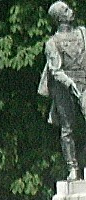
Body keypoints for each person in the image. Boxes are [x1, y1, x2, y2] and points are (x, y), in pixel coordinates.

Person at [40, 2, 86, 180]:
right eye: (66, 10)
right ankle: (72, 167)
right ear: (59, 17)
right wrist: (69, 83)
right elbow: (55, 69)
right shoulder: (52, 42)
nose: (71, 11)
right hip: (64, 88)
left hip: (84, 82)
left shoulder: (83, 32)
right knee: (68, 129)